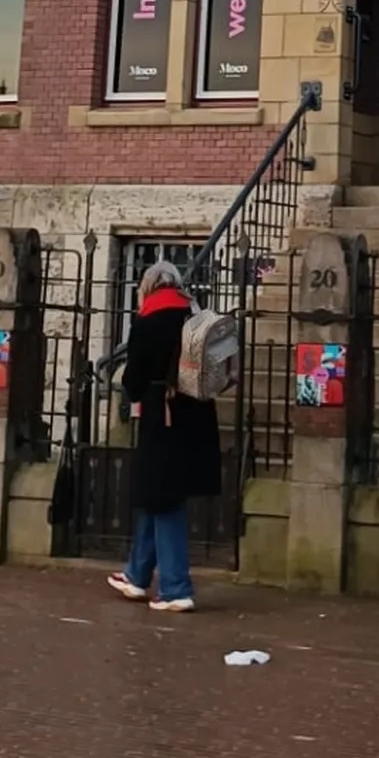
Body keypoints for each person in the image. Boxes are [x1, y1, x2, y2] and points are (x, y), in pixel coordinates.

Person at [106, 259, 221, 613]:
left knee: (165, 498)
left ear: (148, 286)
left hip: (164, 415)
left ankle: (175, 588)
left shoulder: (148, 319)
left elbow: (134, 380)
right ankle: (137, 575)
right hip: (198, 413)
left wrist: (132, 387)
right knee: (156, 494)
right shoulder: (193, 312)